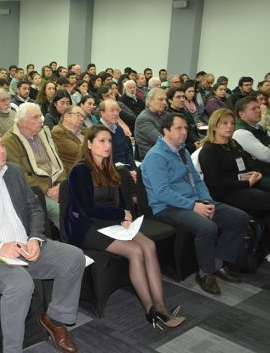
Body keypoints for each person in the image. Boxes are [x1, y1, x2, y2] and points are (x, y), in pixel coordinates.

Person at [0, 126, 84, 353]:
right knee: (20, 284)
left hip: (24, 244)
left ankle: (55, 320)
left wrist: (35, 238)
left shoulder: (14, 172)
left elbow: (34, 209)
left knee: (74, 257)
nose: (2, 150)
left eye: (1, 144)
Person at [65, 125, 185, 328]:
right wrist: (120, 214)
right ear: (89, 144)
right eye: (101, 141)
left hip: (111, 223)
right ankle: (150, 310)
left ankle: (161, 305)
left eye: (109, 141)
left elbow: (119, 202)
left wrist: (125, 218)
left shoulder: (111, 168)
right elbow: (88, 209)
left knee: (149, 246)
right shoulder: (80, 170)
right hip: (87, 227)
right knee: (136, 251)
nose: (107, 145)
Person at [141, 112, 249, 295]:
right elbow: (162, 192)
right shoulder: (156, 156)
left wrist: (206, 200)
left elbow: (198, 181)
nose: (184, 132)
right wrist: (193, 206)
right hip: (167, 207)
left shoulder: (182, 150)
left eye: (185, 128)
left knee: (239, 218)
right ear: (166, 130)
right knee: (207, 227)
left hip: (193, 201)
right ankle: (205, 273)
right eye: (179, 128)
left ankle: (217, 264)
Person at [199, 108, 270, 224]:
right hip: (226, 193)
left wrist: (255, 173)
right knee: (266, 199)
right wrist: (247, 183)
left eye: (232, 123)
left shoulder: (234, 144)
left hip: (245, 183)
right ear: (215, 126)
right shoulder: (209, 150)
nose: (230, 126)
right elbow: (215, 183)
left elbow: (247, 165)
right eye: (225, 123)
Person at [3, 102, 65, 228]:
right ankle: (72, 245)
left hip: (57, 185)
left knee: (82, 201)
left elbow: (58, 162)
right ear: (22, 122)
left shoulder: (44, 133)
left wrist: (60, 185)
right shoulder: (9, 141)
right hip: (36, 192)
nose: (41, 120)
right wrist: (47, 189)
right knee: (62, 213)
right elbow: (19, 175)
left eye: (40, 116)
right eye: (35, 117)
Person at [232, 96, 270, 177]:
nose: (259, 111)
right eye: (253, 109)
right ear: (241, 114)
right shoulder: (241, 132)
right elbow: (266, 156)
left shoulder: (256, 126)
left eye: (258, 107)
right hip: (258, 175)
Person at [134, 88, 168, 160]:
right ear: (149, 101)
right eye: (161, 99)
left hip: (165, 154)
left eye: (165, 99)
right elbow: (162, 141)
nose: (165, 102)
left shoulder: (165, 114)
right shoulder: (143, 119)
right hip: (152, 158)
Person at [52, 106, 85, 174]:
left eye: (83, 117)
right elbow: (77, 152)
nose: (82, 119)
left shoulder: (84, 131)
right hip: (75, 171)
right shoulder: (58, 132)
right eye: (78, 115)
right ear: (66, 116)